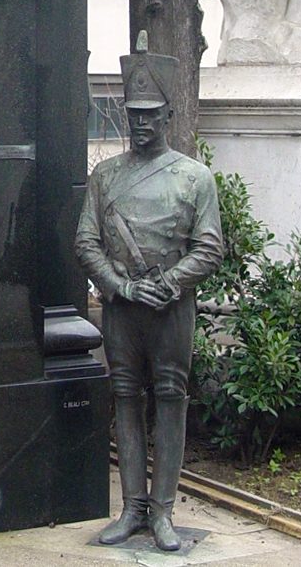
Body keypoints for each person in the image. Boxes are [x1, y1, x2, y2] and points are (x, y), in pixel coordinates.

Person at [76, 32, 223, 552]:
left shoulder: (194, 177)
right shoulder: (105, 175)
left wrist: (167, 283)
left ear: (168, 116)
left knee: (170, 399)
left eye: (149, 113)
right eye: (132, 112)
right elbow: (87, 241)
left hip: (170, 311)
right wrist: (118, 286)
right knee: (124, 397)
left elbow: (208, 248)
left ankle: (163, 511)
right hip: (122, 309)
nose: (139, 122)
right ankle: (131, 506)